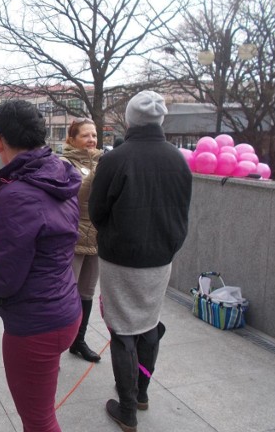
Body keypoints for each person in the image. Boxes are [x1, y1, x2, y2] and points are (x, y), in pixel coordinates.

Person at [0, 100, 82, 432]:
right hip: (65, 311)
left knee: (38, 421)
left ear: (0, 141)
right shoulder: (57, 175)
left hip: (35, 326)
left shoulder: (18, 193)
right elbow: (34, 237)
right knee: (43, 411)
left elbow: (5, 277)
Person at [89, 91, 192, 432]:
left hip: (121, 257)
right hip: (161, 256)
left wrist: (112, 233)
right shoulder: (178, 159)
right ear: (160, 120)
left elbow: (96, 210)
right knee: (147, 325)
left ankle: (128, 408)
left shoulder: (116, 158)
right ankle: (142, 392)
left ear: (131, 120)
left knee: (122, 331)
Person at [61, 118, 103, 363]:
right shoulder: (64, 163)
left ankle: (79, 340)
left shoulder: (101, 161)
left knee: (86, 292)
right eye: (86, 136)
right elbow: (73, 193)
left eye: (94, 135)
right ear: (72, 139)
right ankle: (56, 344)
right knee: (67, 293)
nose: (92, 141)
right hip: (73, 236)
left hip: (96, 237)